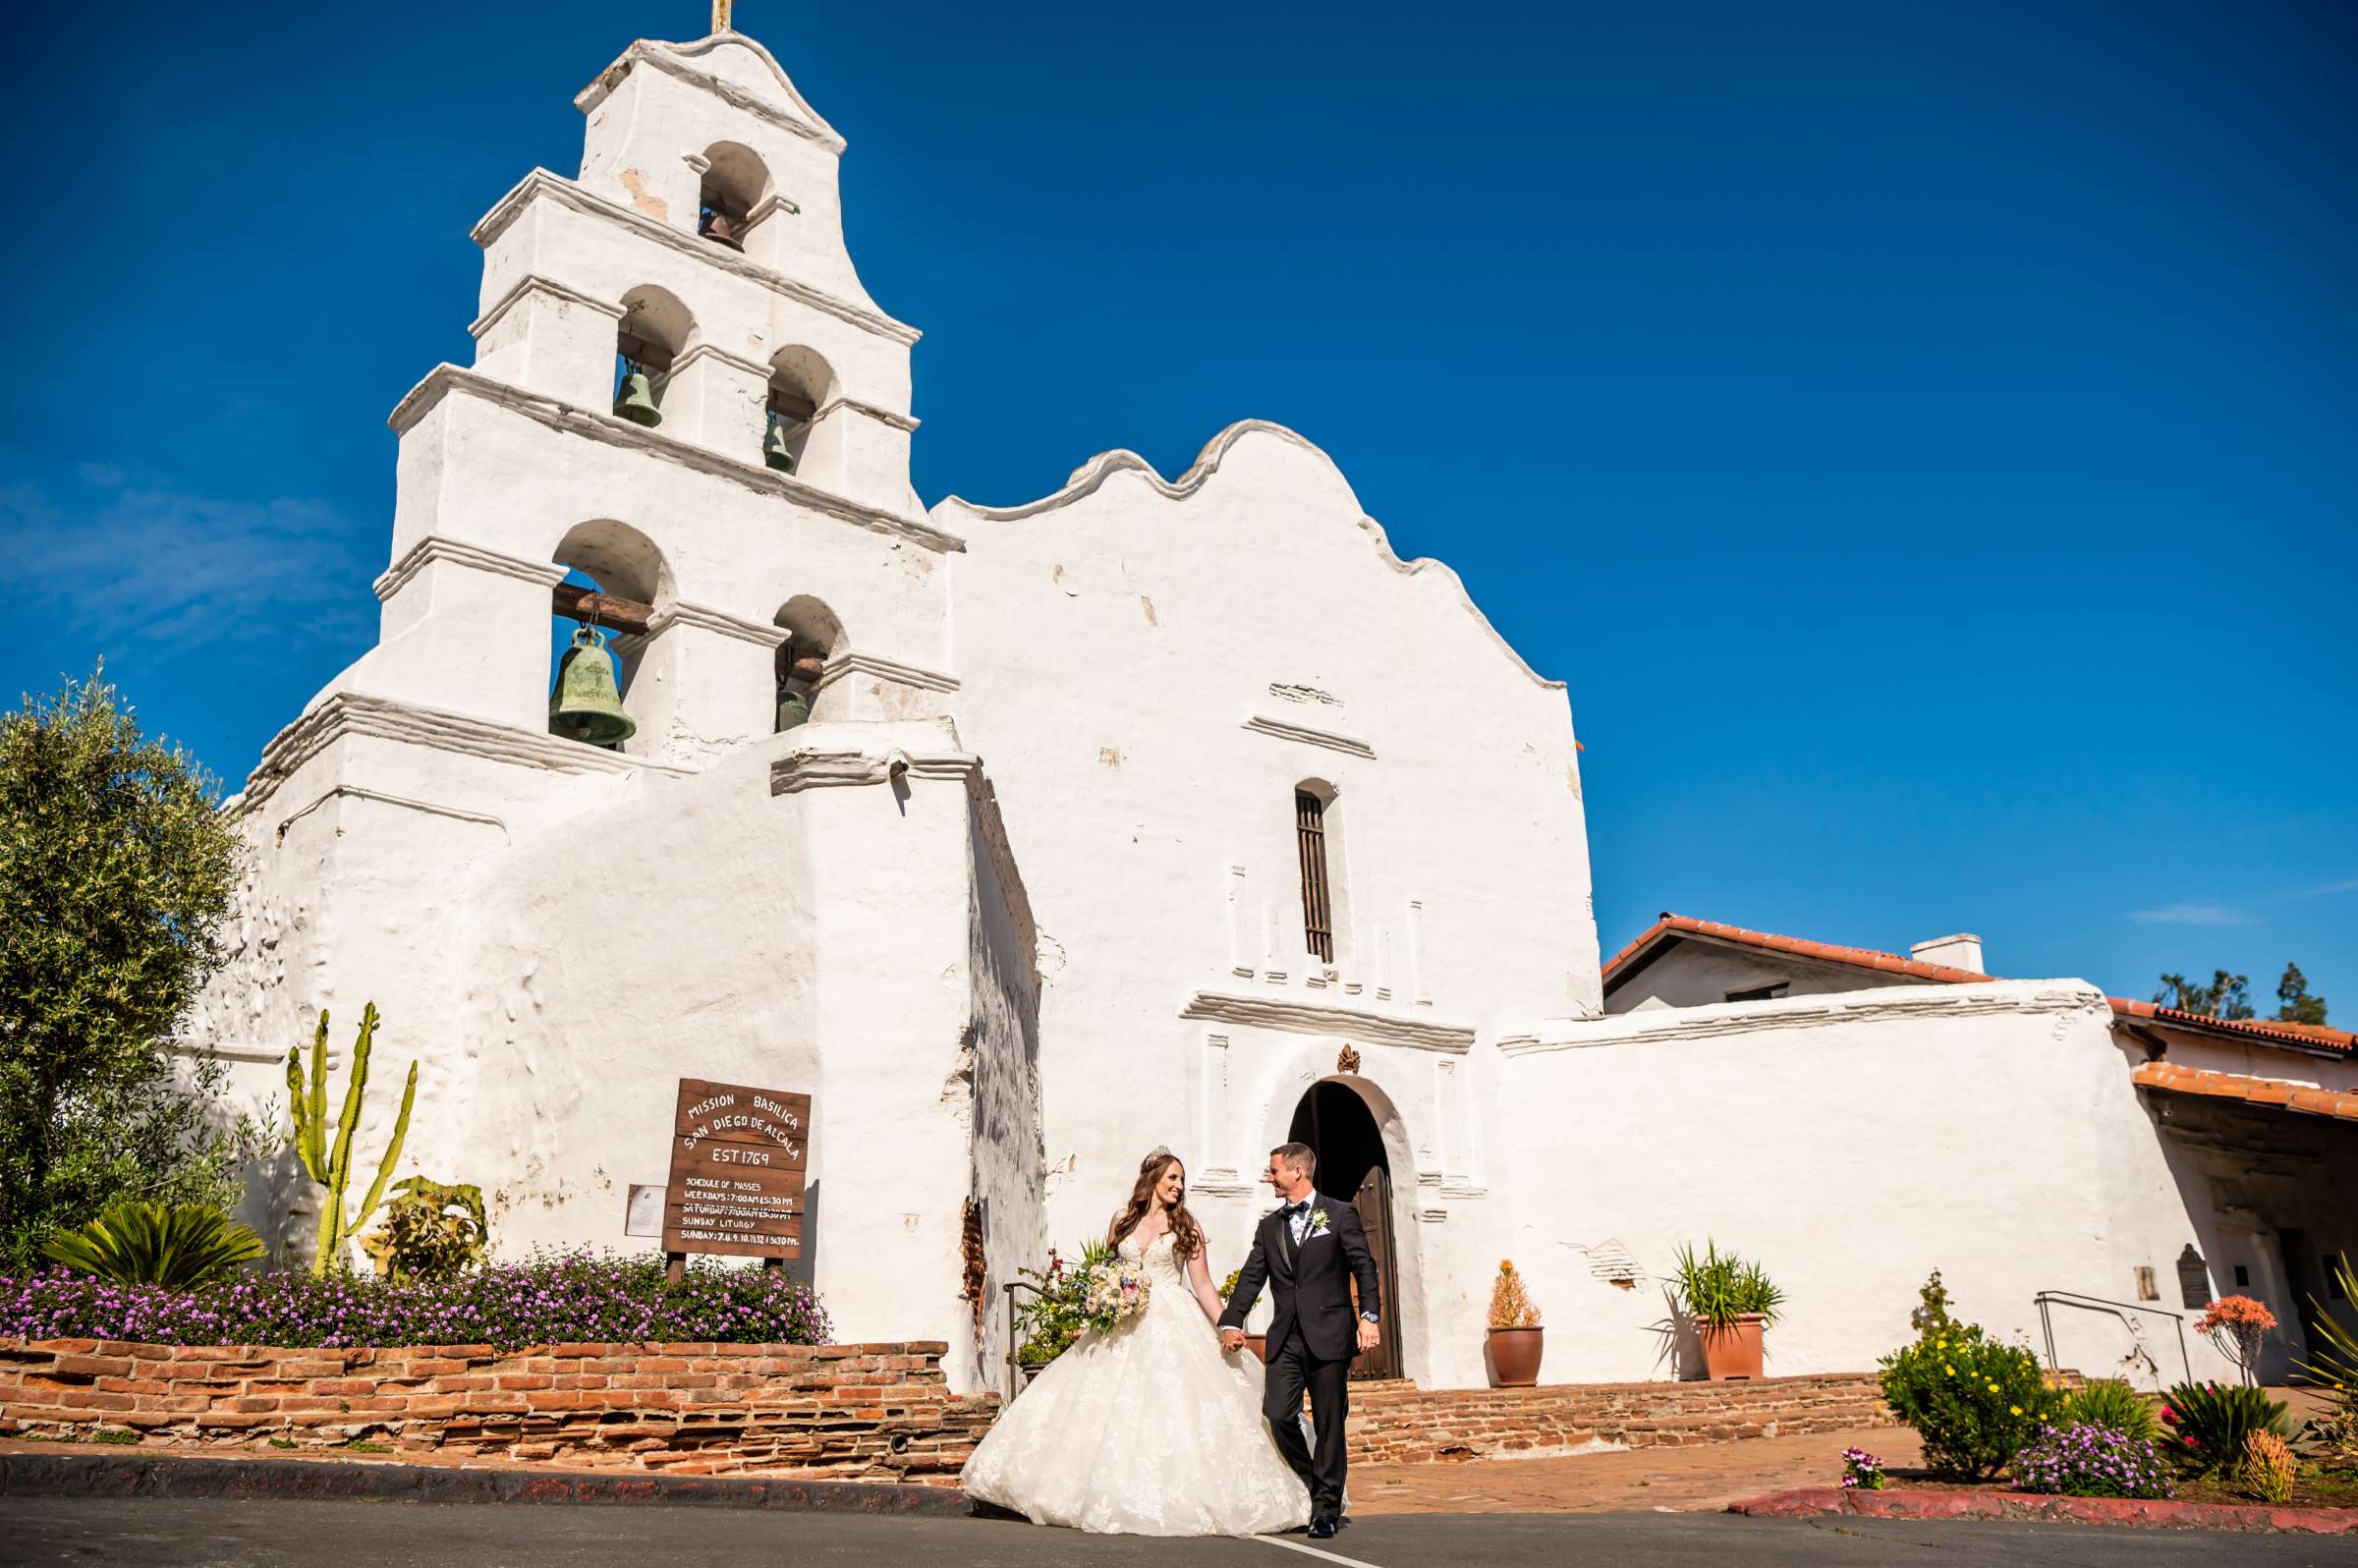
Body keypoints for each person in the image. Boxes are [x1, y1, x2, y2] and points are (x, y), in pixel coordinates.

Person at [960, 1148, 1312, 1536]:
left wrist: (1227, 1324)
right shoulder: (1122, 1221)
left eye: (1181, 1179)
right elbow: (1108, 1272)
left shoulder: (1187, 1227)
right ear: (1153, 1180)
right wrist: (1097, 1307)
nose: (1179, 1186)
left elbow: (1204, 1285)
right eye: (1172, 1178)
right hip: (1122, 1322)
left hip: (1174, 1320)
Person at [1217, 1142, 1381, 1540]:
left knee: (1329, 1424)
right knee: (1277, 1413)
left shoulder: (1340, 1214)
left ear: (1297, 1172)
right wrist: (1230, 1321)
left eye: (1273, 1171)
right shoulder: (1269, 1226)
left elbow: (1364, 1266)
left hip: (1330, 1335)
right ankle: (1315, 1485)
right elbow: (1252, 1277)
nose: (1268, 1177)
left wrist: (1369, 1317)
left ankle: (1324, 1510)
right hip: (1286, 1337)